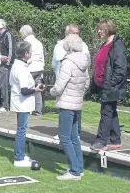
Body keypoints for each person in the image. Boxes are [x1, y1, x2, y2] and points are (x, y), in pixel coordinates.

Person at [50, 34, 90, 180]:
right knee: (74, 137)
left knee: (64, 136)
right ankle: (79, 168)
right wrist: (79, 94)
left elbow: (60, 85)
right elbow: (86, 83)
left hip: (67, 103)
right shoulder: (84, 60)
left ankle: (74, 171)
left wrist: (51, 92)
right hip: (77, 102)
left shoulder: (68, 62)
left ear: (68, 46)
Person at [90, 19, 128, 151]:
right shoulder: (105, 44)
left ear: (108, 29)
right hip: (103, 85)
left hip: (110, 87)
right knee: (111, 112)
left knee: (106, 112)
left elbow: (120, 69)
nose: (99, 31)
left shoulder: (117, 46)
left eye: (101, 29)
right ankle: (115, 139)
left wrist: (110, 84)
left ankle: (102, 140)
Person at [52, 25, 90, 140]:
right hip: (64, 82)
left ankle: (75, 133)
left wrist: (82, 88)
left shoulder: (83, 45)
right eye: (74, 32)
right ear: (67, 33)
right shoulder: (60, 46)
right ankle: (64, 132)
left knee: (75, 110)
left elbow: (87, 64)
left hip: (77, 84)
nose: (76, 35)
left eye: (78, 32)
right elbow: (55, 63)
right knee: (64, 109)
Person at [10, 41, 43, 167]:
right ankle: (19, 158)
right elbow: (24, 90)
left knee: (21, 129)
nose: (31, 53)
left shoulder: (18, 65)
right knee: (21, 130)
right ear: (26, 53)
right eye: (30, 51)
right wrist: (36, 90)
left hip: (20, 102)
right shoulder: (21, 69)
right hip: (22, 102)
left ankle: (21, 155)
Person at [20, 25, 45, 116]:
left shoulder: (26, 42)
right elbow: (41, 56)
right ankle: (38, 110)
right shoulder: (38, 42)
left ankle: (28, 108)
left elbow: (27, 57)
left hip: (30, 68)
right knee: (38, 89)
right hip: (39, 67)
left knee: (28, 89)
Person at [0, 19, 16, 112]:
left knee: (4, 86)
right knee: (1, 85)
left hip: (6, 66)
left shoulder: (7, 35)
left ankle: (5, 105)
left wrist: (7, 64)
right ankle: (1, 103)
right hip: (0, 65)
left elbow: (11, 50)